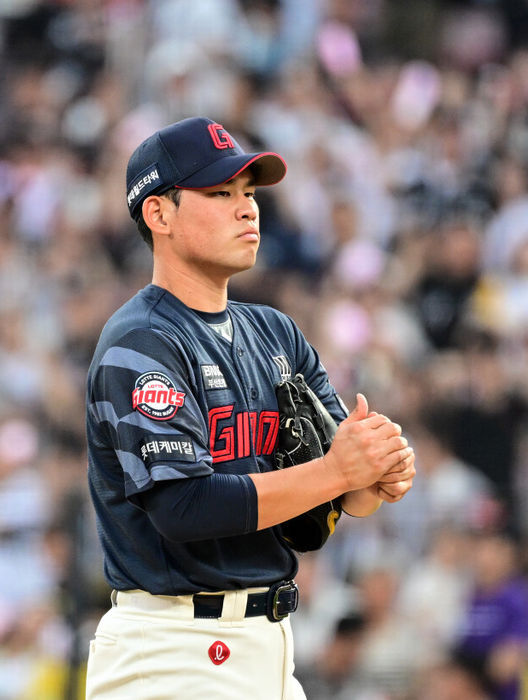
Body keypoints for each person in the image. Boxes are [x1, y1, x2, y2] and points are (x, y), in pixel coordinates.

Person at [83, 117, 416, 699]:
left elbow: (344, 494)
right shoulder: (142, 341)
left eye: (249, 193)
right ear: (159, 214)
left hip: (269, 644)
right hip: (174, 649)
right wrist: (339, 472)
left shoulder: (276, 333)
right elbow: (184, 507)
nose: (247, 209)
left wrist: (376, 471)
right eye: (220, 193)